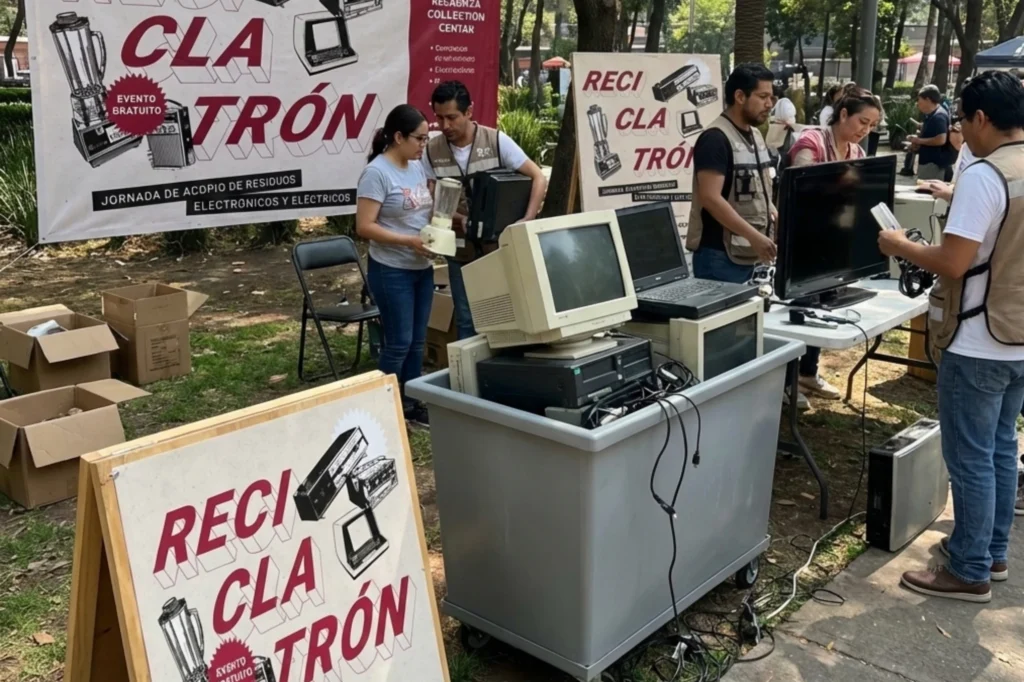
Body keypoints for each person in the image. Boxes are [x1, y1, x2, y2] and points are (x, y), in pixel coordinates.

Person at [878, 71, 1024, 603]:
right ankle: (991, 552)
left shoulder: (986, 175)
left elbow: (953, 262)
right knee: (1001, 448)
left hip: (977, 338)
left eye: (962, 121)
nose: (960, 132)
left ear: (980, 118)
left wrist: (900, 245)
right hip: (1017, 335)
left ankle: (968, 569)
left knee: (970, 458)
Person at [423, 80, 548, 340]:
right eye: (439, 118)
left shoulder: (496, 141)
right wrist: (459, 219)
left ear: (469, 111)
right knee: (466, 317)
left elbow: (538, 177)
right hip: (459, 249)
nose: (445, 126)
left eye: (452, 117)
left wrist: (527, 219)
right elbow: (430, 200)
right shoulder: (431, 150)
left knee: (508, 313)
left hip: (498, 247)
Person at [784, 87, 882, 407]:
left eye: (872, 126)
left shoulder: (856, 152)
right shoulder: (811, 142)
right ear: (842, 114)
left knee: (822, 308)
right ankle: (786, 380)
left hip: (834, 243)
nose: (866, 130)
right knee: (798, 312)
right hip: (802, 242)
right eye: (862, 122)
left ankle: (807, 372)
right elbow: (801, 187)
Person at [356, 104, 435, 426]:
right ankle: (380, 408)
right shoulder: (376, 173)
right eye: (419, 138)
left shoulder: (416, 166)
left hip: (421, 267)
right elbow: (364, 226)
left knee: (417, 341)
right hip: (391, 269)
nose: (423, 145)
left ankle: (411, 403)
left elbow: (422, 211)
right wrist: (408, 241)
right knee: (399, 342)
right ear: (399, 137)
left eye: (427, 138)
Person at [687, 63, 777, 285]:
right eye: (763, 97)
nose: (769, 104)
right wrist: (754, 236)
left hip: (750, 255)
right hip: (719, 258)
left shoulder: (755, 135)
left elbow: (761, 191)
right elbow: (710, 198)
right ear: (740, 96)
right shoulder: (715, 139)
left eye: (771, 97)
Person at [908, 85, 955, 181]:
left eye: (919, 100)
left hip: (934, 165)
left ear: (928, 100)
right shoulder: (931, 115)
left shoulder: (939, 116)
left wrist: (918, 141)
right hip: (928, 163)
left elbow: (941, 139)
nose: (918, 103)